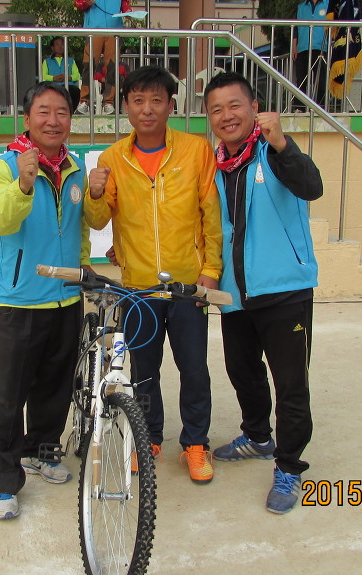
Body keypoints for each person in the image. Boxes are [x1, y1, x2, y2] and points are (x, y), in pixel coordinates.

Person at [85, 65, 222, 485]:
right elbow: (97, 219)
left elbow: (211, 214)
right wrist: (94, 192)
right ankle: (149, 439)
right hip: (138, 287)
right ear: (126, 106)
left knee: (193, 368)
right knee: (144, 369)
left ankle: (195, 444)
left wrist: (211, 271)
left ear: (170, 105)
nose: (147, 109)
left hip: (186, 286)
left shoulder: (196, 150)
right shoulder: (112, 158)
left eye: (157, 100)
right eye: (138, 100)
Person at [0, 82, 109, 520]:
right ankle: (4, 481)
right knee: (9, 395)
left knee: (56, 386)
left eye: (62, 112)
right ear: (27, 118)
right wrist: (23, 183)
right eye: (44, 111)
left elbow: (82, 225)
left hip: (65, 297)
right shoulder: (3, 166)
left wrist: (93, 200)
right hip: (19, 300)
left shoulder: (73, 167)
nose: (53, 120)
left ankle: (42, 450)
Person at [202, 72, 323, 514]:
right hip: (236, 293)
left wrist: (284, 145)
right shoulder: (215, 165)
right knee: (242, 371)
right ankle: (257, 436)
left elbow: (312, 187)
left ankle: (289, 467)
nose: (226, 115)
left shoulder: (274, 152)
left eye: (235, 105)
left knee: (290, 384)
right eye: (216, 109)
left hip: (285, 290)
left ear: (254, 108)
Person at [74, 0, 124, 115]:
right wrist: (86, 3)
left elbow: (125, 5)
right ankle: (84, 101)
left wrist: (129, 12)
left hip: (114, 29)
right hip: (94, 29)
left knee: (112, 66)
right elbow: (78, 3)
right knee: (88, 65)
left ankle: (108, 102)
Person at [291, 0, 330, 112]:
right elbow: (295, 28)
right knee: (301, 81)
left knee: (322, 81)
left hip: (321, 48)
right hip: (303, 47)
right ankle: (300, 108)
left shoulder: (328, 5)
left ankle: (320, 108)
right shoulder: (301, 6)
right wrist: (294, 46)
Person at [41, 37, 81, 112]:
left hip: (68, 86)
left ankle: (70, 112)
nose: (60, 46)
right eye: (57, 44)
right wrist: (54, 78)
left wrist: (68, 77)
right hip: (53, 86)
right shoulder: (47, 61)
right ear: (52, 48)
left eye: (62, 44)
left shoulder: (71, 61)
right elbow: (43, 75)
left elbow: (77, 75)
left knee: (75, 91)